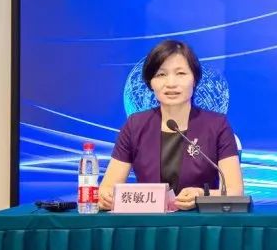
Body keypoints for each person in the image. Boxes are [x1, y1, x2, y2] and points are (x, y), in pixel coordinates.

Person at [99, 39, 243, 211]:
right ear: (150, 82)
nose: (171, 83)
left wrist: (202, 196)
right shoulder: (135, 125)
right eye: (161, 75)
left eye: (180, 73)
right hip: (147, 222)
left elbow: (235, 192)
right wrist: (107, 197)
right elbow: (107, 188)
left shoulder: (217, 125)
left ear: (194, 79)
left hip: (200, 222)